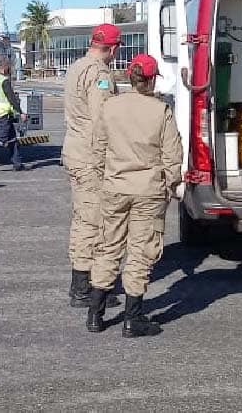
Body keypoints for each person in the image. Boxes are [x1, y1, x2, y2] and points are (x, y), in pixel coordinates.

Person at [86, 54, 183, 337]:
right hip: (148, 190)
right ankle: (133, 317)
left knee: (107, 247)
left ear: (130, 78)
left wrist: (106, 177)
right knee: (141, 252)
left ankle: (95, 313)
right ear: (151, 79)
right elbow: (172, 155)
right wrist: (170, 185)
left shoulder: (110, 107)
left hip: (115, 186)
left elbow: (98, 148)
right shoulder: (160, 110)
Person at [62, 23, 123, 309]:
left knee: (82, 218)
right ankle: (84, 287)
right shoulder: (99, 73)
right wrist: (105, 159)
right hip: (90, 155)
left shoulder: (76, 67)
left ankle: (81, 280)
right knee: (93, 221)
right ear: (113, 48)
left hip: (75, 149)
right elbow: (103, 120)